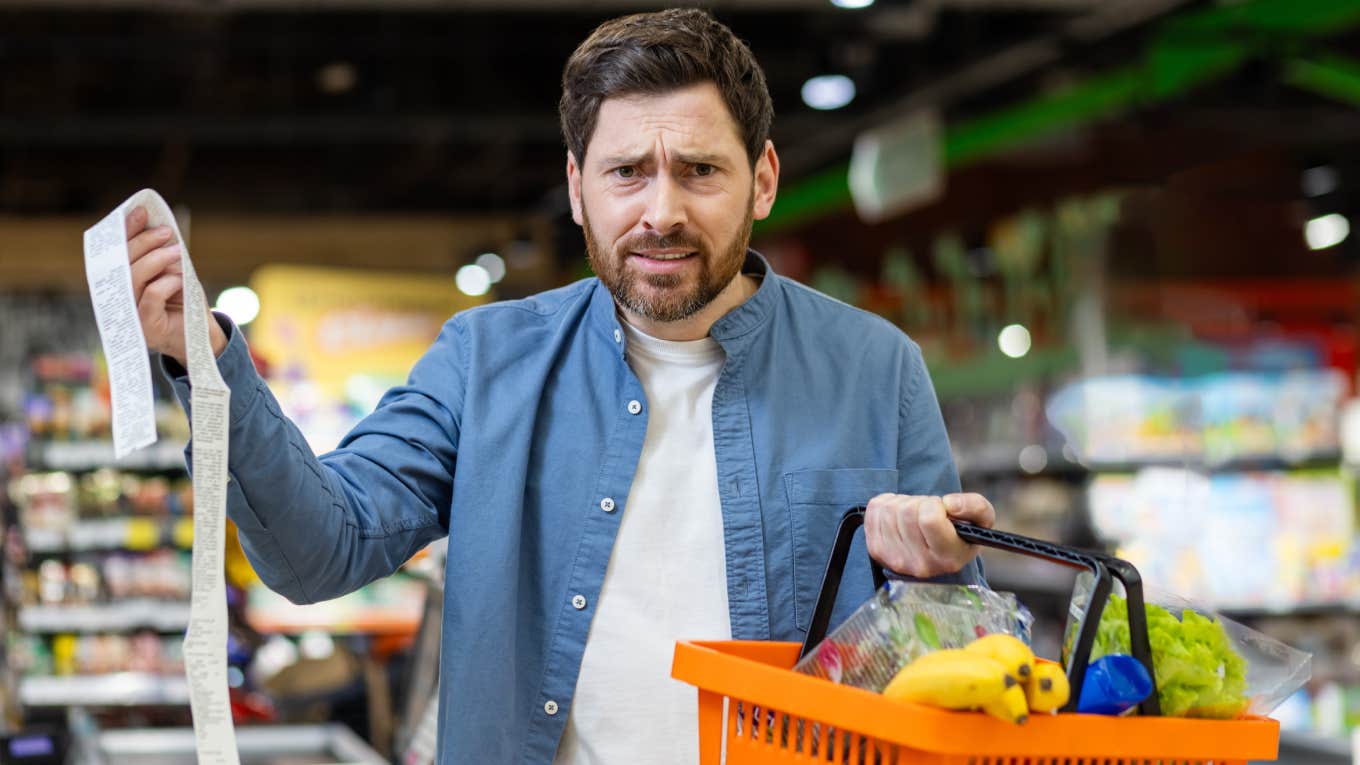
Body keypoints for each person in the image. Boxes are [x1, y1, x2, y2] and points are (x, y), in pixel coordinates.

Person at [122, 8, 995, 764]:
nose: (661, 211)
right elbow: (321, 549)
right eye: (626, 173)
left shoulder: (876, 370)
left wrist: (933, 586)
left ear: (762, 178)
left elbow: (966, 658)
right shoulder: (485, 360)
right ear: (577, 187)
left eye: (699, 170)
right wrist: (204, 360)